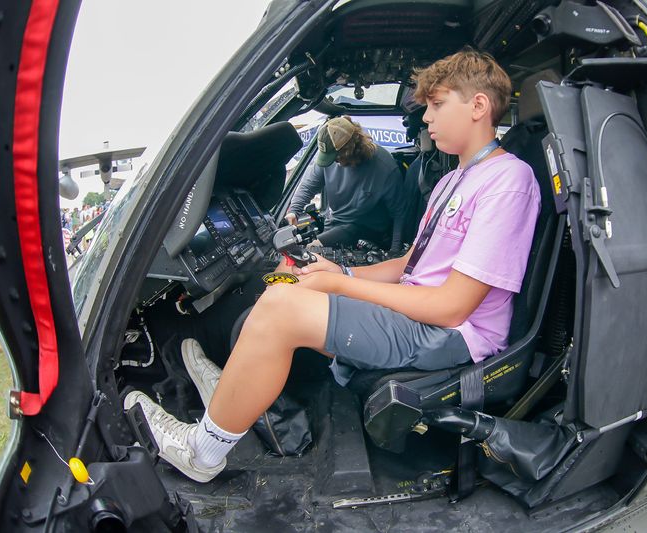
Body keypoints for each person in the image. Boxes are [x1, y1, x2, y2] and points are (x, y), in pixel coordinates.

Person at [125, 47, 541, 482]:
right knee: (287, 284)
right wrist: (339, 273)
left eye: (437, 104)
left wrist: (341, 287)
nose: (427, 117)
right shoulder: (455, 178)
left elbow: (451, 307)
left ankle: (202, 453)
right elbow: (409, 264)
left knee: (281, 310)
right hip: (423, 315)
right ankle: (231, 396)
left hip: (454, 336)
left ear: (478, 106)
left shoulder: (507, 181)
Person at [285, 116, 406, 251]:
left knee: (315, 248)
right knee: (312, 251)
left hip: (369, 232)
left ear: (351, 149)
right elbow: (307, 187)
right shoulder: (328, 156)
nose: (332, 161)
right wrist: (294, 211)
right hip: (335, 225)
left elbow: (399, 213)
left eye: (335, 156)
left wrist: (395, 251)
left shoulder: (385, 167)